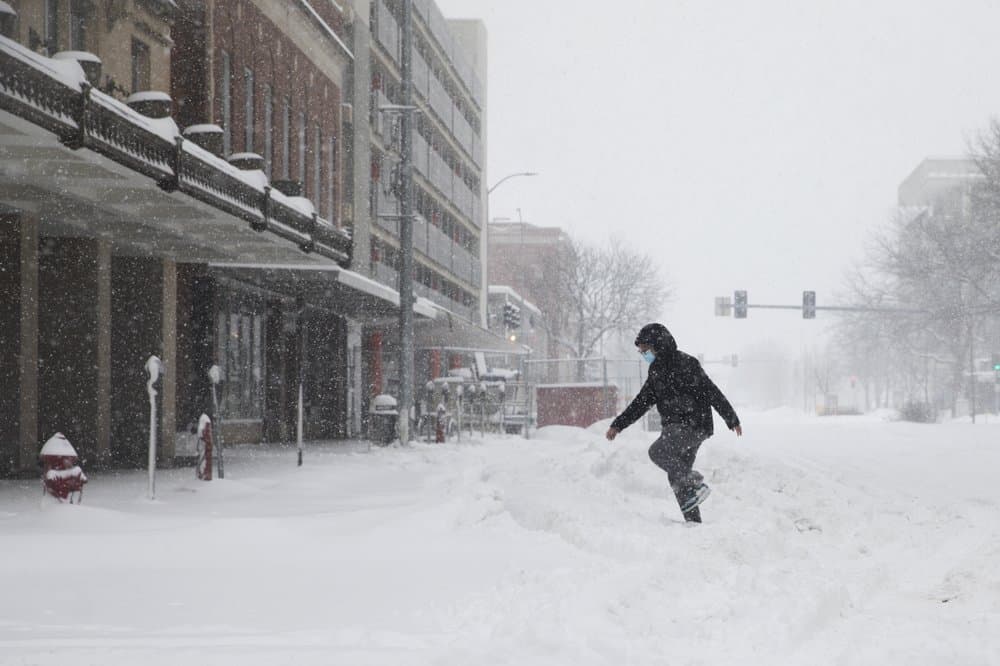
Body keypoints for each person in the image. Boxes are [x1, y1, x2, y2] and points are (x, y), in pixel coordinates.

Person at [606, 323, 742, 523]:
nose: (644, 354)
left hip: (694, 425)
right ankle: (694, 523)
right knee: (676, 476)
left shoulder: (687, 363)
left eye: (646, 350)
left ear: (658, 345)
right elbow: (641, 402)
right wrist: (619, 424)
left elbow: (711, 391)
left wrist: (731, 418)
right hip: (678, 428)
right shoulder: (656, 372)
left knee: (658, 452)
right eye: (641, 351)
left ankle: (695, 481)